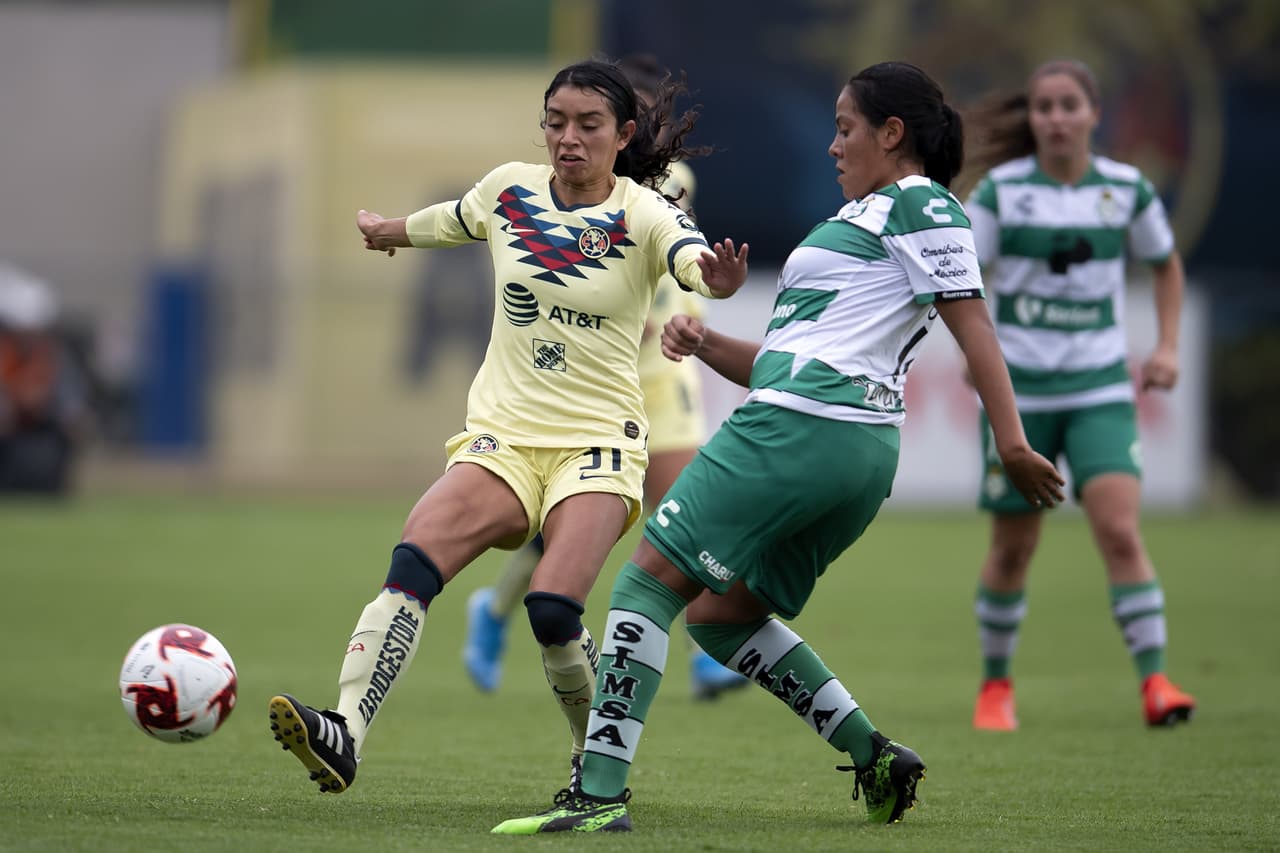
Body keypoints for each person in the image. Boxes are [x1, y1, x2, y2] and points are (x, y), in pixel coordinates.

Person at [491, 61, 1065, 834]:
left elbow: (972, 322)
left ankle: (597, 795)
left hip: (799, 431)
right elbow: (792, 360)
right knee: (723, 617)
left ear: (892, 135)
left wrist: (1013, 440)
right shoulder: (865, 221)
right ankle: (874, 754)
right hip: (853, 451)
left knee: (644, 588)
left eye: (845, 126)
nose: (833, 145)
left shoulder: (920, 202)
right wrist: (706, 342)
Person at [266, 58, 749, 795]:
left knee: (553, 608)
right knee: (413, 561)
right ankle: (344, 730)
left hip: (600, 446)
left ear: (622, 135)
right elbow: (455, 218)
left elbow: (688, 257)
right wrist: (388, 231)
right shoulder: (509, 189)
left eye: (588, 125)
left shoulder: (645, 213)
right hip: (504, 439)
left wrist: (711, 277)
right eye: (556, 122)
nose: (568, 138)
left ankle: (599, 767)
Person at [462, 54, 748, 702]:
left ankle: (704, 652)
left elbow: (680, 256)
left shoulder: (672, 183)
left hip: (661, 370)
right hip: (588, 375)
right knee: (566, 519)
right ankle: (495, 608)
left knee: (684, 511)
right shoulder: (555, 191)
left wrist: (688, 313)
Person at [961, 59, 1195, 731]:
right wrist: (972, 360)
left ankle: (1156, 681)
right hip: (1020, 395)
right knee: (1014, 547)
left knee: (1120, 530)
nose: (1056, 118)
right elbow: (966, 285)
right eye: (1044, 107)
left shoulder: (1126, 190)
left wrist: (1168, 345)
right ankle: (996, 687)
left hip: (1099, 389)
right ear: (1031, 118)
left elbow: (1166, 264)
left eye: (1069, 106)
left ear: (1095, 113)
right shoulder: (1004, 193)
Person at [0, 263, 87, 494]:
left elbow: (71, 401)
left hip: (43, 428)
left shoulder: (53, 356)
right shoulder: (4, 352)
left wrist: (70, 416)